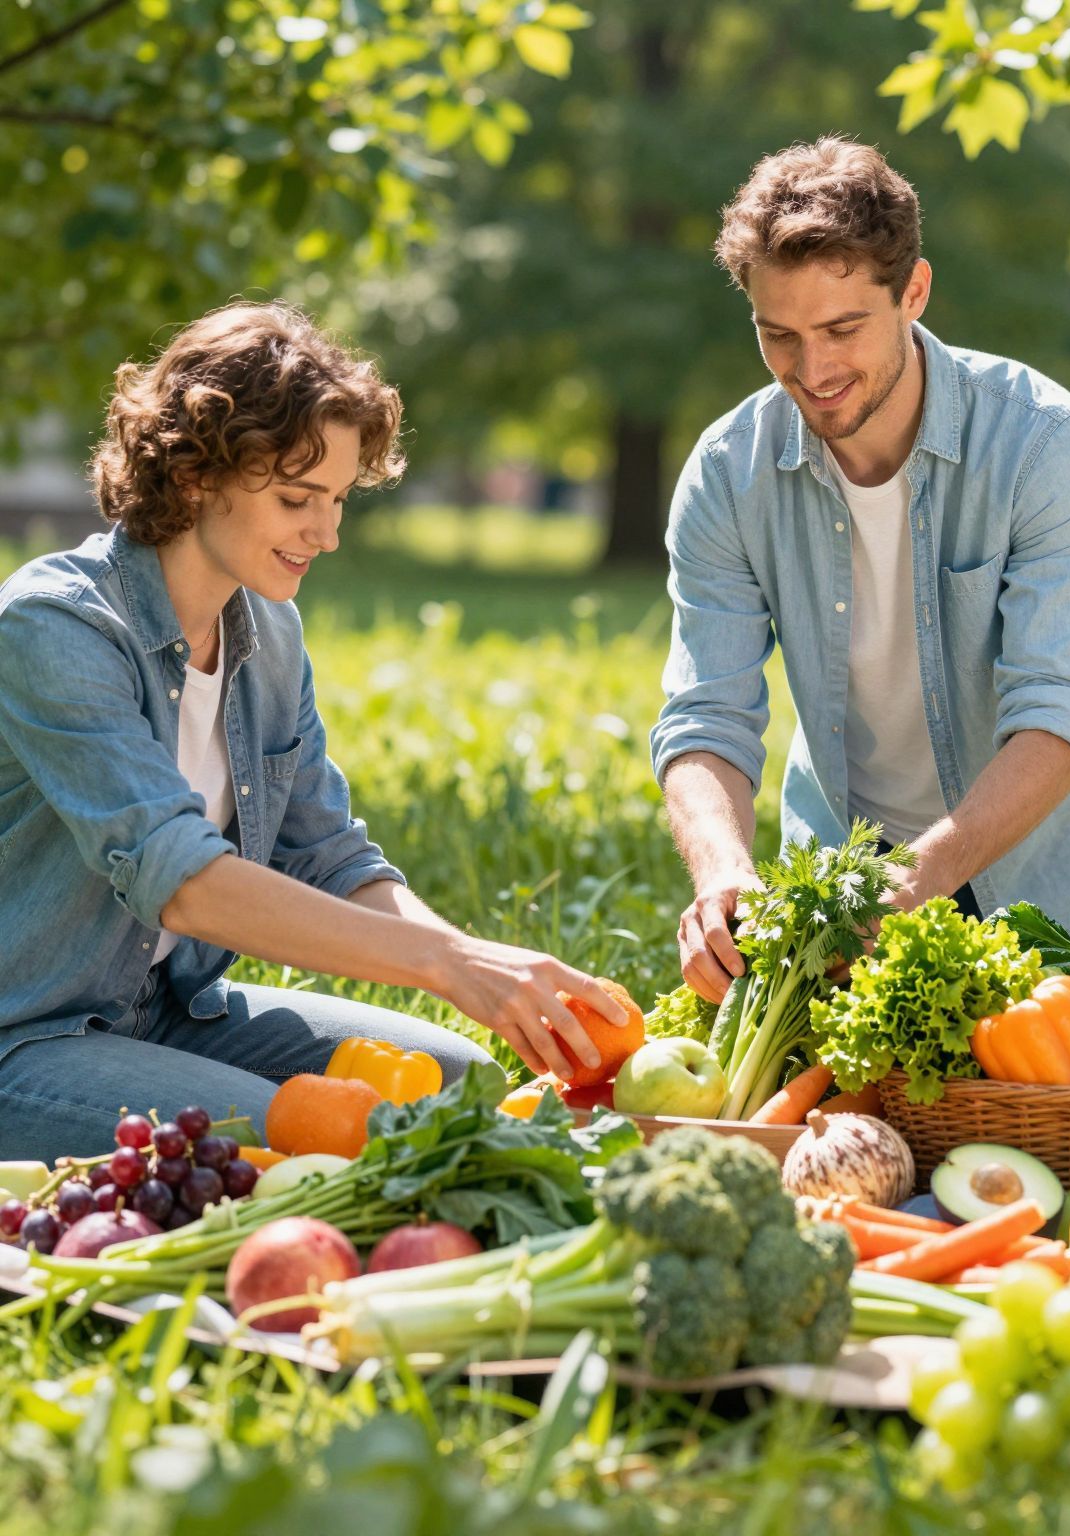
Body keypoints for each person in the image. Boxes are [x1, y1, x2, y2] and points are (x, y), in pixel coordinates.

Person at [0, 303, 629, 1162]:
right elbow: (184, 883)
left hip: (174, 1012)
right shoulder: (53, 629)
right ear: (195, 475)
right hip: (28, 1036)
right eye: (298, 498)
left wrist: (474, 958)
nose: (327, 534)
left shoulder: (266, 632)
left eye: (336, 500)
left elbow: (327, 853)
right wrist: (445, 964)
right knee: (317, 1137)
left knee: (460, 1086)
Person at [654, 136, 1070, 1003]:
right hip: (838, 886)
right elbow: (705, 714)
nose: (814, 370)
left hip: (1042, 894)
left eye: (842, 329)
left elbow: (1057, 717)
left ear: (913, 291)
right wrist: (723, 870)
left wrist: (915, 883)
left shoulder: (1042, 442)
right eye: (779, 336)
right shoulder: (729, 471)